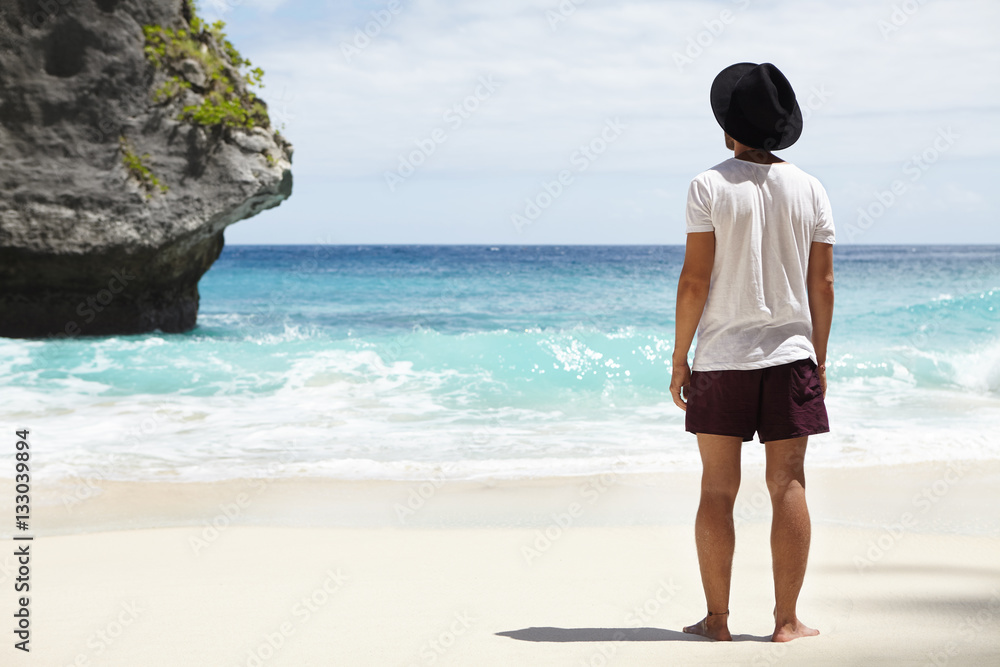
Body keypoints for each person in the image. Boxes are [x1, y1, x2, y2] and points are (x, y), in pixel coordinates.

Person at [669, 62, 836, 643]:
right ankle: (786, 622)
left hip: (720, 358)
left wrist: (678, 358)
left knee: (717, 489)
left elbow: (694, 282)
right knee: (788, 484)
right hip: (790, 357)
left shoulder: (708, 185)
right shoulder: (811, 187)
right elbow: (823, 284)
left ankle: (717, 622)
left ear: (728, 126)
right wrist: (818, 356)